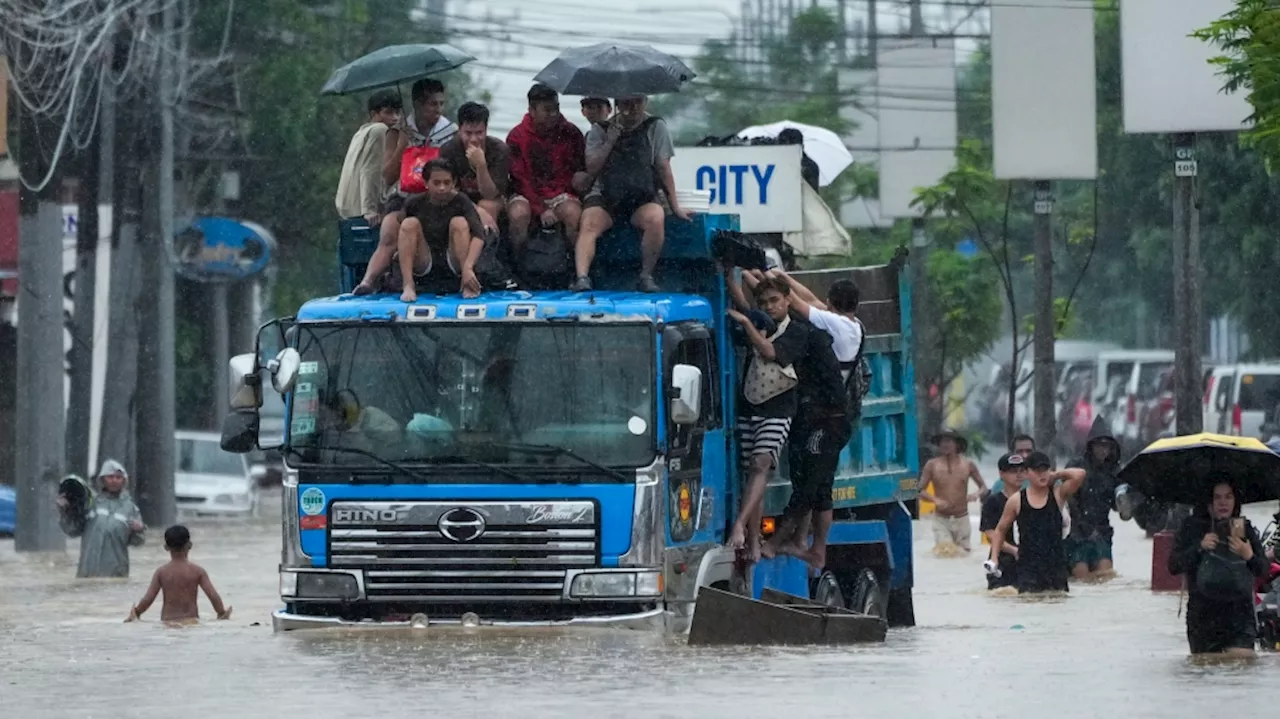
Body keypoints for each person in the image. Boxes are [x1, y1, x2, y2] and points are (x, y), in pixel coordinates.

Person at [759, 269, 863, 568]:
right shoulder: (851, 325)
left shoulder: (830, 326)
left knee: (809, 485)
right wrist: (780, 278)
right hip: (831, 416)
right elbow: (807, 299)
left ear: (831, 302)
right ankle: (810, 547)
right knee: (820, 488)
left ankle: (782, 542)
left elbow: (798, 302)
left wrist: (774, 278)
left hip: (827, 418)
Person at [726, 276, 810, 562]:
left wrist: (748, 324)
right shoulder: (761, 322)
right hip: (750, 405)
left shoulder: (798, 332)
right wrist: (729, 276)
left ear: (788, 300)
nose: (770, 307)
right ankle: (753, 540)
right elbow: (742, 305)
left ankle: (739, 524)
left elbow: (770, 352)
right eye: (764, 303)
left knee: (762, 463)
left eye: (775, 301)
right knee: (753, 473)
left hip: (779, 408)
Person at [572, 94, 690, 293]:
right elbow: (591, 167)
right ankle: (582, 276)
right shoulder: (599, 130)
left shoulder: (655, 126)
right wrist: (610, 141)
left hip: (641, 194)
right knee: (589, 222)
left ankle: (646, 275)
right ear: (618, 105)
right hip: (606, 195)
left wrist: (675, 206)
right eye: (627, 103)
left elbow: (663, 166)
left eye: (638, 102)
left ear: (645, 103)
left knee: (655, 218)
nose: (633, 108)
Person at [355, 79, 458, 295]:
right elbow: (388, 176)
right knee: (390, 230)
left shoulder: (450, 132)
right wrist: (403, 145)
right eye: (432, 104)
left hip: (438, 197)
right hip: (406, 196)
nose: (438, 110)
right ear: (418, 104)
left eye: (441, 104)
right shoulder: (397, 132)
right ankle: (368, 280)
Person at [357, 159, 490, 302]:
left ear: (454, 183)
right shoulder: (414, 203)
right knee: (409, 224)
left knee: (459, 223)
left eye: (447, 183)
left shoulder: (462, 201)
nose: (442, 188)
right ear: (426, 183)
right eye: (436, 183)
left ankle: (466, 283)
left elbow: (479, 236)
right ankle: (408, 285)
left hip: (454, 259)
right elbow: (402, 230)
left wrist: (468, 267)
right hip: (425, 260)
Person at [1169, 482, 1268, 657]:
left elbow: (1262, 570)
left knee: (1240, 671)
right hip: (1203, 618)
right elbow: (1174, 566)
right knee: (1208, 674)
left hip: (1240, 616)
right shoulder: (1191, 528)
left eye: (1228, 497)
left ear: (1235, 501)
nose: (1223, 503)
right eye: (1217, 497)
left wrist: (1248, 555)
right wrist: (1199, 547)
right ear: (1209, 502)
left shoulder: (1245, 528)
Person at [988, 452, 1086, 594]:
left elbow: (1080, 474)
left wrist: (1056, 475)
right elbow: (1000, 531)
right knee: (1030, 605)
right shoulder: (1016, 500)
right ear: (1027, 473)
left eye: (1045, 470)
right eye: (1037, 471)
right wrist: (994, 558)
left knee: (1059, 605)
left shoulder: (1058, 495)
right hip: (1028, 568)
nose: (1042, 475)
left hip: (1055, 566)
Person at [506, 84, 586, 253]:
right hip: (527, 193)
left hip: (561, 193)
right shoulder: (516, 136)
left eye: (556, 108)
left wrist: (557, 202)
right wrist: (540, 208)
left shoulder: (571, 133)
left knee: (573, 214)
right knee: (518, 214)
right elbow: (519, 179)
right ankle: (517, 265)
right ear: (532, 111)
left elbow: (576, 170)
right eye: (547, 110)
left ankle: (576, 268)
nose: (553, 114)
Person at [56, 459, 145, 578]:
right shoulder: (90, 503)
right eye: (110, 477)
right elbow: (73, 531)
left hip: (116, 575)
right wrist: (66, 512)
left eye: (118, 477)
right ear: (102, 479)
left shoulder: (131, 508)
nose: (114, 480)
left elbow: (138, 542)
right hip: (87, 573)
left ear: (124, 481)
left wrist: (139, 530)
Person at [126, 525, 232, 625]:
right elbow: (213, 595)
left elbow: (148, 599)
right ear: (189, 545)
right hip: (191, 622)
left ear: (166, 547)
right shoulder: (198, 571)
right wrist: (221, 613)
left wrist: (137, 612)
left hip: (167, 623)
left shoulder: (161, 572)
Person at [1064, 417, 1122, 581]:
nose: (1103, 450)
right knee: (1081, 577)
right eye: (1099, 445)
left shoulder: (1114, 472)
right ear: (1091, 445)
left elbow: (1118, 506)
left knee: (1105, 576)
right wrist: (1085, 527)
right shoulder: (1076, 466)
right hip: (1077, 533)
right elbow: (1068, 499)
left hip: (1102, 531)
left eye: (1107, 446)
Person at [334, 89, 403, 224]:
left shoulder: (361, 132)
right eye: (388, 112)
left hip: (347, 209)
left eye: (398, 112)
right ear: (374, 114)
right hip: (363, 212)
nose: (395, 118)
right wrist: (369, 209)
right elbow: (370, 169)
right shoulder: (379, 130)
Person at [438, 101, 511, 226]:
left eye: (479, 133)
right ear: (459, 130)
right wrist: (474, 209)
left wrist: (481, 165)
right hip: (458, 198)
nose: (474, 140)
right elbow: (448, 189)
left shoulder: (499, 149)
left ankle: (488, 242)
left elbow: (491, 195)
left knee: (487, 205)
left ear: (486, 130)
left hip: (493, 198)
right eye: (468, 133)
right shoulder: (448, 150)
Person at [918, 430, 988, 553]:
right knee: (945, 552)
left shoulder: (968, 464)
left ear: (957, 444)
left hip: (962, 518)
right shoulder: (932, 465)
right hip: (941, 519)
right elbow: (920, 491)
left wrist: (975, 495)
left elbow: (983, 488)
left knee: (964, 554)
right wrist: (935, 500)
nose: (945, 444)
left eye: (949, 441)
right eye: (942, 441)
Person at [981, 453, 1024, 591]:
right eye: (1013, 472)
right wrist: (1013, 550)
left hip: (1026, 562)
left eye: (1021, 471)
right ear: (1001, 474)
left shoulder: (1031, 499)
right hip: (1001, 561)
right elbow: (990, 534)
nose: (1018, 475)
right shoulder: (992, 502)